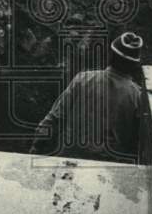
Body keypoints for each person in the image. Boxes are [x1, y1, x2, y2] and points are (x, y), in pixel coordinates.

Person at [30, 32, 144, 163]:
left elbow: (53, 118)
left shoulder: (82, 79)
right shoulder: (137, 96)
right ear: (135, 65)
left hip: (69, 163)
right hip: (108, 171)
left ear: (110, 55)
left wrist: (35, 148)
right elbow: (137, 144)